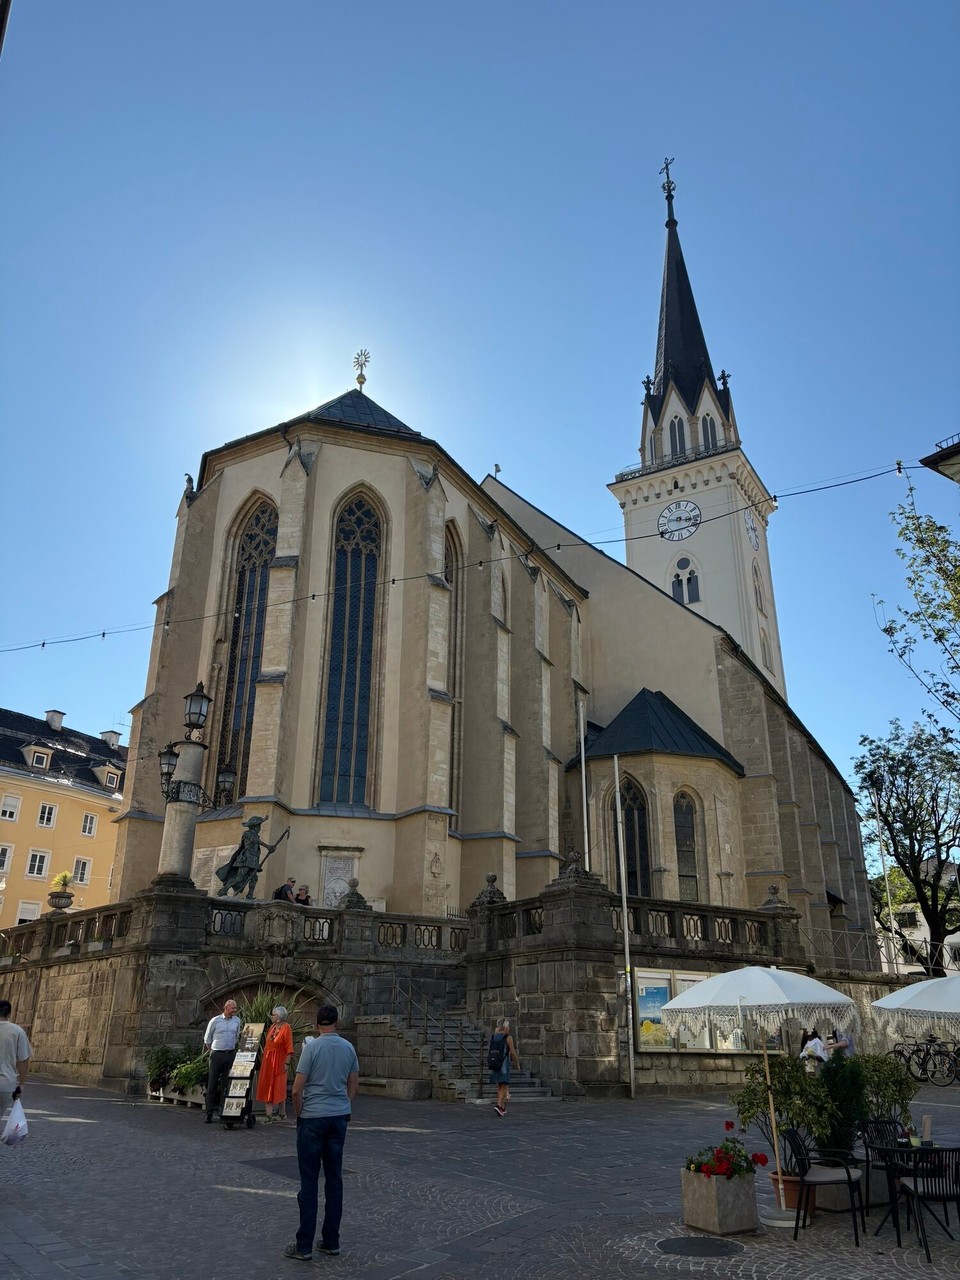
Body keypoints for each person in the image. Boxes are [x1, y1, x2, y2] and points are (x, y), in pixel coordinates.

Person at [284, 1004, 359, 1262]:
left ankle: (304, 1245)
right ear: (336, 1022)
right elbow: (353, 1083)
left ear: (317, 1024)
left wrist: (300, 1113)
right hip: (338, 1117)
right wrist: (344, 1105)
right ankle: (331, 1240)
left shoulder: (312, 1048)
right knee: (334, 1179)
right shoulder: (348, 1048)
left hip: (313, 1118)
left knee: (309, 1182)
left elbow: (296, 1089)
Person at [203, 998, 241, 1123]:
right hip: (217, 1053)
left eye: (235, 1008)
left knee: (227, 1084)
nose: (235, 1011)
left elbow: (237, 1036)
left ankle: (223, 1111)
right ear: (226, 1007)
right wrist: (212, 1050)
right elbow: (207, 1038)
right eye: (233, 1008)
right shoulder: (215, 1020)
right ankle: (208, 1113)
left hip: (230, 1053)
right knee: (212, 1083)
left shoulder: (237, 1021)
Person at [257, 1006, 294, 1122]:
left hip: (279, 1061)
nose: (272, 1017)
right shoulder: (272, 1027)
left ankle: (282, 1113)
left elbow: (289, 1047)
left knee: (279, 1086)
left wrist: (286, 1064)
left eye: (274, 1015)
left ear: (279, 1017)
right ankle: (269, 1115)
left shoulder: (286, 1028)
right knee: (267, 1085)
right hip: (268, 1062)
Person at [0, 999, 31, 1120]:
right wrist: (21, 1084)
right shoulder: (17, 1031)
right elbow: (23, 1061)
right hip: (6, 1083)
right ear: (9, 1014)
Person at [488, 1016, 520, 1117]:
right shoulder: (508, 1037)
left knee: (500, 1085)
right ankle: (498, 1105)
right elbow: (513, 1052)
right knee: (504, 1085)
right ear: (505, 1027)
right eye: (508, 1026)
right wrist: (517, 1063)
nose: (509, 1028)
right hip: (504, 1063)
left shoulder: (494, 1037)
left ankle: (501, 1107)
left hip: (495, 1062)